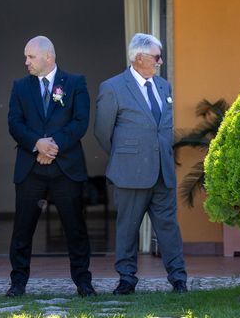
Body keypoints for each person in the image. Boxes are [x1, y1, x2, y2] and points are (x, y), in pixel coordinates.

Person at [94, 33, 188, 295]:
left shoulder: (163, 87)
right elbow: (102, 132)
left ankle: (178, 278)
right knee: (127, 228)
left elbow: (163, 129)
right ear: (139, 58)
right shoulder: (113, 87)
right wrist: (125, 156)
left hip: (163, 173)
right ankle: (126, 279)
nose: (161, 62)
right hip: (129, 173)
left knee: (168, 227)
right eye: (157, 57)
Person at [6, 36, 96, 297]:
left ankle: (83, 282)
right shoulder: (20, 86)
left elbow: (80, 121)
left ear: (48, 57)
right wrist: (37, 143)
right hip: (30, 168)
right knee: (23, 228)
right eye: (26, 57)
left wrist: (53, 146)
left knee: (75, 227)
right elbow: (14, 123)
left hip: (66, 167)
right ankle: (18, 282)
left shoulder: (75, 83)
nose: (26, 62)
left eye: (30, 57)